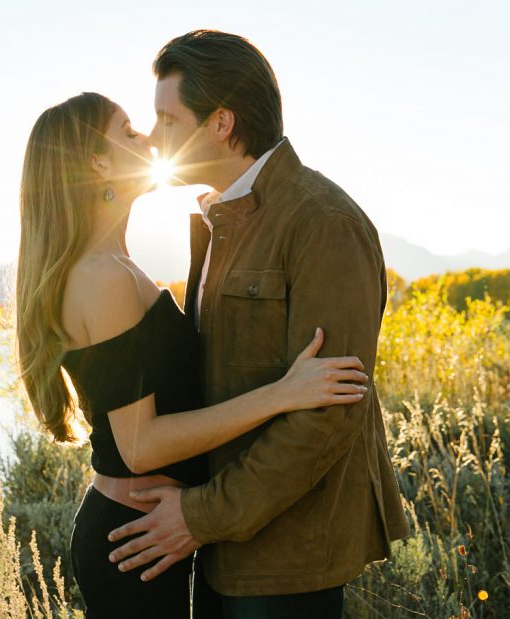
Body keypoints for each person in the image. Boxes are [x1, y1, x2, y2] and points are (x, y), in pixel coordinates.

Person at [14, 91, 371, 618]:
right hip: (132, 536)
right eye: (131, 131)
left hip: (148, 528)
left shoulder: (116, 264)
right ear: (98, 162)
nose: (151, 140)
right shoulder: (103, 278)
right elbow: (139, 446)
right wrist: (281, 395)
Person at [105, 31, 411, 619]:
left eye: (168, 121)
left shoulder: (322, 223)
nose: (153, 139)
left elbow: (327, 416)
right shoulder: (220, 220)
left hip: (288, 561)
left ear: (221, 122)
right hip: (222, 546)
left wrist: (198, 517)